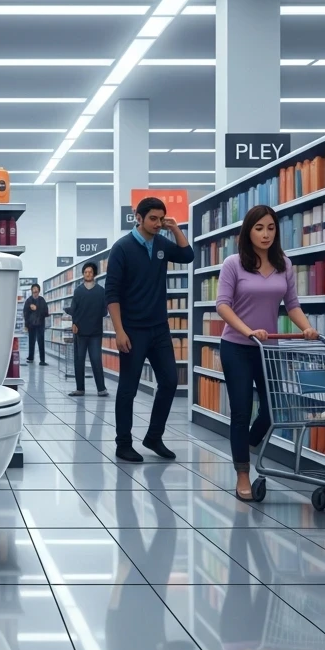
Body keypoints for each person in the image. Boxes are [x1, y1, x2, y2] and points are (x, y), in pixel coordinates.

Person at [216, 204, 318, 501]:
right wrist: (247, 330)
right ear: (248, 231)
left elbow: (292, 304)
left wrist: (308, 327)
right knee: (241, 410)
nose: (265, 234)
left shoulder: (284, 264)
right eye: (259, 228)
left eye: (270, 228)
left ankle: (247, 443)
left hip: (268, 348)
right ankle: (243, 474)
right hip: (237, 346)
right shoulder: (233, 264)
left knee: (275, 408)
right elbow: (222, 305)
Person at [105, 197, 194, 461]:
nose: (157, 224)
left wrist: (175, 227)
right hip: (133, 330)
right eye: (153, 218)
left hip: (159, 328)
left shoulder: (162, 244)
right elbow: (112, 294)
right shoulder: (121, 248)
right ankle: (123, 444)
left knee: (169, 381)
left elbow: (187, 255)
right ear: (139, 217)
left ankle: (154, 436)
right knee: (128, 388)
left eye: (161, 219)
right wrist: (119, 331)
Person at [68, 261, 108, 397]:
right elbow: (74, 309)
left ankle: (101, 389)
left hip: (95, 333)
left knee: (96, 359)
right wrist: (74, 323)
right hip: (80, 332)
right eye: (85, 272)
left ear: (94, 274)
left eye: (90, 272)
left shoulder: (101, 292)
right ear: (83, 274)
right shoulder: (78, 291)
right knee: (79, 360)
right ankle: (80, 389)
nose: (88, 274)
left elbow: (104, 312)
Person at [23, 283, 49, 365]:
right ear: (31, 291)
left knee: (41, 342)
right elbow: (25, 313)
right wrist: (26, 325)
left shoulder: (42, 300)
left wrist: (37, 308)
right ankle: (31, 358)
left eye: (36, 291)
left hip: (40, 324)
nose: (35, 293)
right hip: (31, 325)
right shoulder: (28, 301)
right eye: (33, 291)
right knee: (31, 341)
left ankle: (42, 360)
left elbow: (46, 312)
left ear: (39, 291)